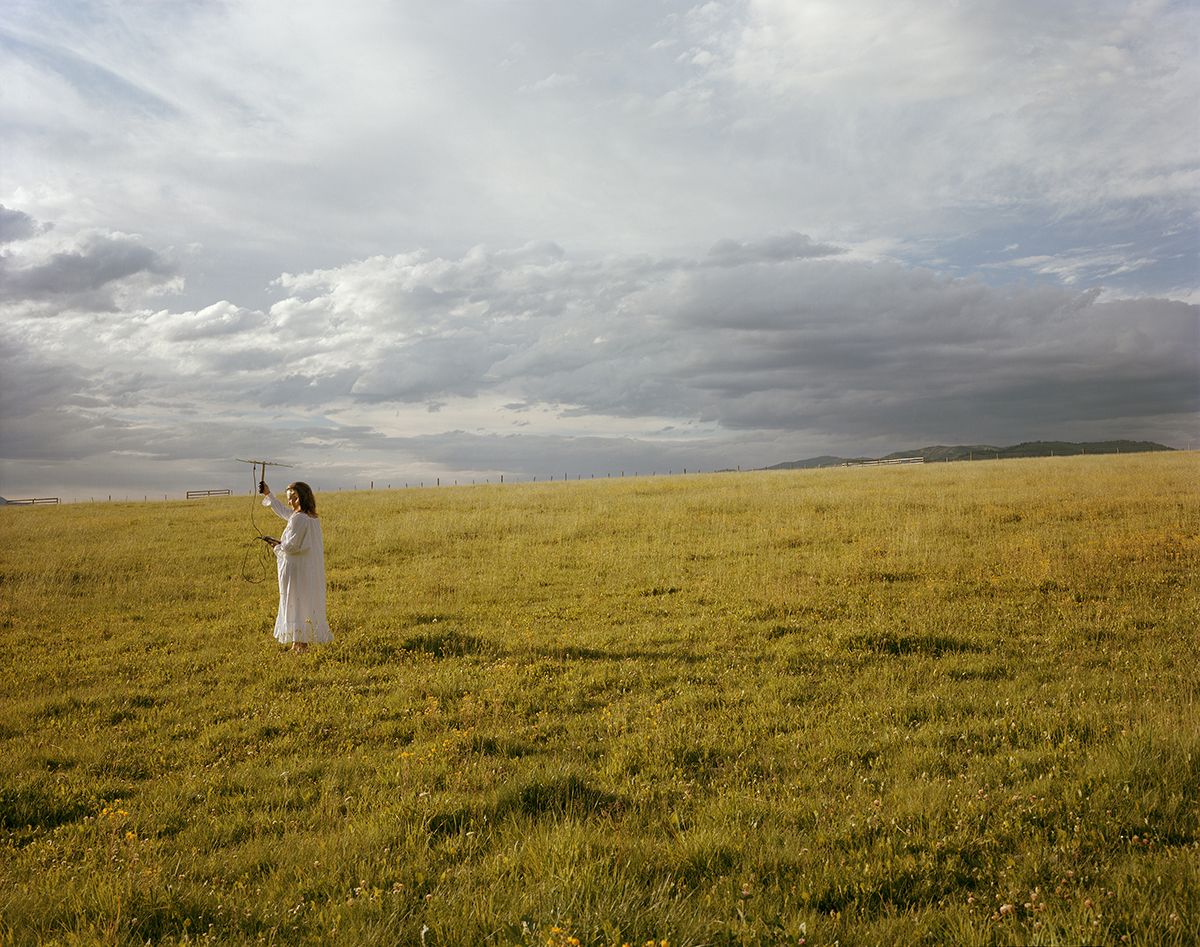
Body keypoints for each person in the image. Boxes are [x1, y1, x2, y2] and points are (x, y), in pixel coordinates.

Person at [259, 480, 332, 653]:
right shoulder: (308, 517)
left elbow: (292, 546)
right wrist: (268, 495)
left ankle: (302, 646)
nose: (289, 503)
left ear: (299, 498)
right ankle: (297, 644)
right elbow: (285, 512)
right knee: (301, 601)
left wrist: (277, 546)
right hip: (306, 568)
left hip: (298, 569)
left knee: (296, 601)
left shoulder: (299, 518)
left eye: (292, 499)